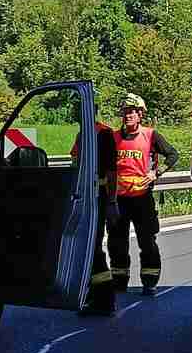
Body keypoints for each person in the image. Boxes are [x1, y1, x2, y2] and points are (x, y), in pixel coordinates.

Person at [108, 93, 180, 297]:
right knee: (116, 243)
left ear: (140, 115)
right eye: (125, 112)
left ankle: (149, 282)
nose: (127, 115)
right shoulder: (113, 137)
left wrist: (156, 173)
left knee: (147, 242)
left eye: (131, 112)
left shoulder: (151, 135)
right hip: (118, 200)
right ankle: (119, 281)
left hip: (142, 199)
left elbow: (173, 155)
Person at [75, 120, 120, 315]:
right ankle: (95, 295)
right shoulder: (83, 133)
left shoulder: (104, 134)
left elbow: (111, 171)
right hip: (85, 195)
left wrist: (112, 201)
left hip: (97, 196)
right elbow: (76, 163)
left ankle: (104, 299)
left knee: (93, 247)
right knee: (88, 247)